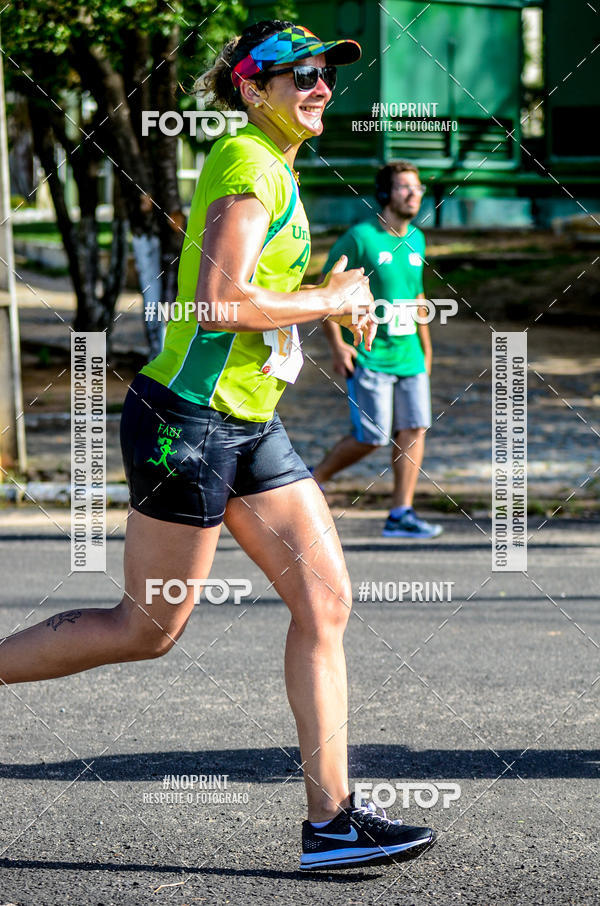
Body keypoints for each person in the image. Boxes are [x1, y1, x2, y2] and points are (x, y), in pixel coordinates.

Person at [0, 21, 435, 870]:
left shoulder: (278, 167)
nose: (318, 88)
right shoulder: (245, 162)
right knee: (147, 627)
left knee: (325, 603)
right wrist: (326, 300)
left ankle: (333, 820)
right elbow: (219, 303)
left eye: (325, 76)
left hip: (248, 425)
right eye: (297, 76)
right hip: (188, 424)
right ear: (251, 89)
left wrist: (320, 303)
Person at [313, 161, 443, 539]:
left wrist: (426, 348)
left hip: (411, 357)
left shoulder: (417, 239)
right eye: (404, 187)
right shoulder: (360, 238)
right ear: (385, 194)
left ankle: (401, 513)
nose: (413, 194)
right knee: (372, 435)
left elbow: (417, 297)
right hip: (369, 353)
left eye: (417, 188)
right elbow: (326, 293)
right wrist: (338, 348)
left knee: (414, 428)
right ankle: (313, 480)